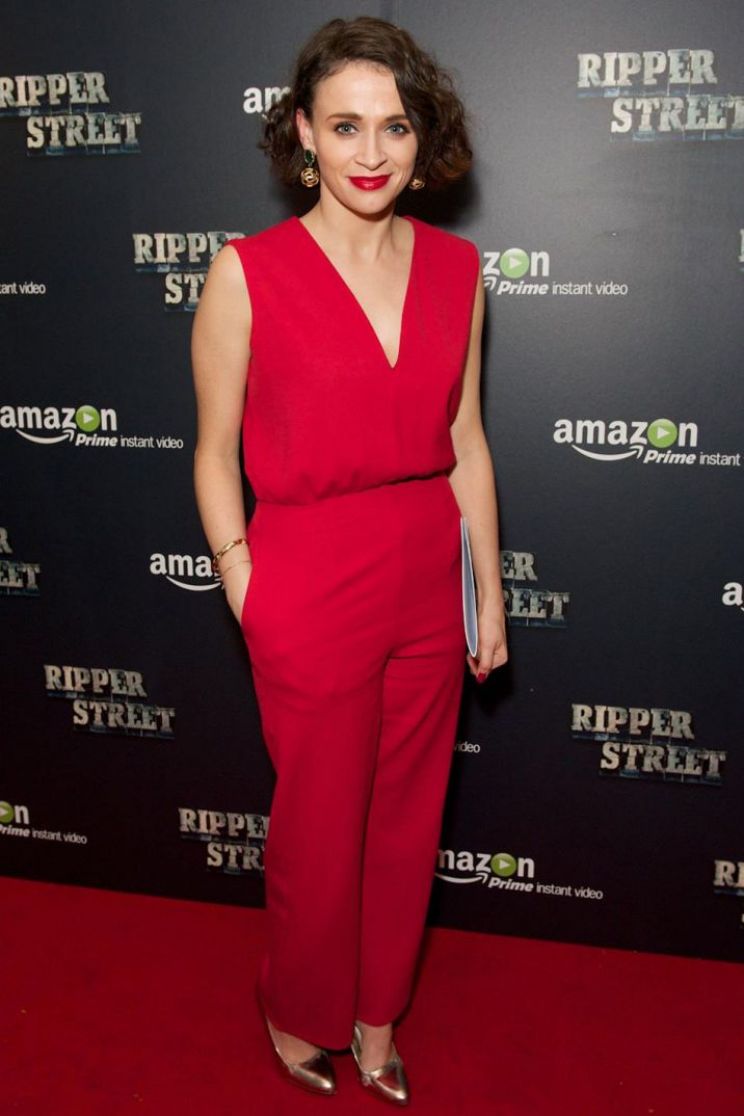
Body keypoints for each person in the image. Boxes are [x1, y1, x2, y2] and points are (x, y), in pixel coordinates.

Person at [191, 14, 507, 1105]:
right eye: (345, 126)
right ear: (303, 134)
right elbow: (213, 452)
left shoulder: (460, 269)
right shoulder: (248, 273)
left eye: (396, 127)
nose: (372, 153)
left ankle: (376, 1015)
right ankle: (298, 1005)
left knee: (408, 816)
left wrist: (488, 594)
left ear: (424, 139)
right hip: (309, 576)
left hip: (427, 568)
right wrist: (244, 580)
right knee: (319, 827)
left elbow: (467, 441)